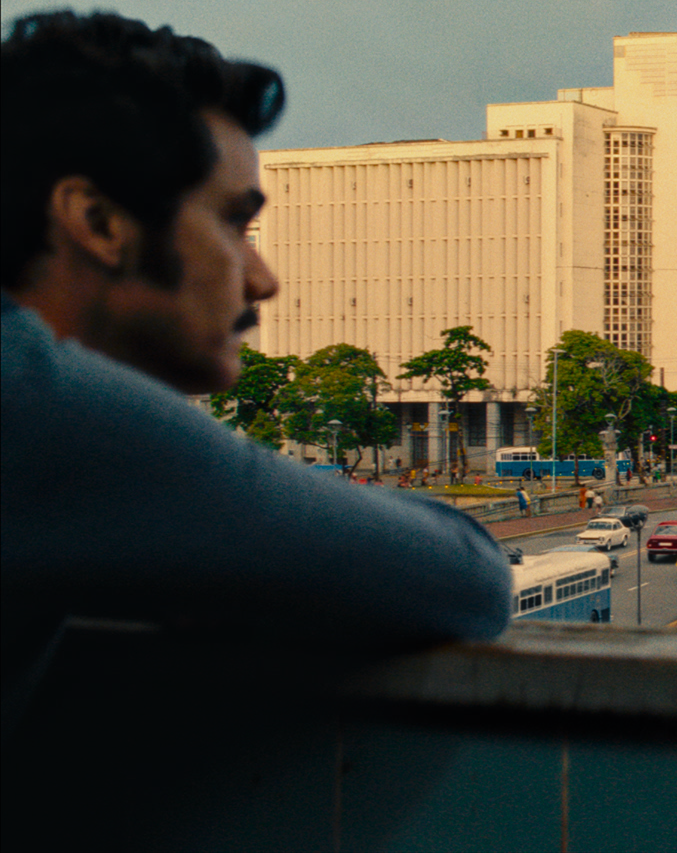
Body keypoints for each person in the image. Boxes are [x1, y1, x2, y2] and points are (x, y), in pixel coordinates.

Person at [2, 11, 512, 719]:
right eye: (233, 225)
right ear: (97, 223)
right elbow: (464, 574)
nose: (263, 277)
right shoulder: (43, 408)